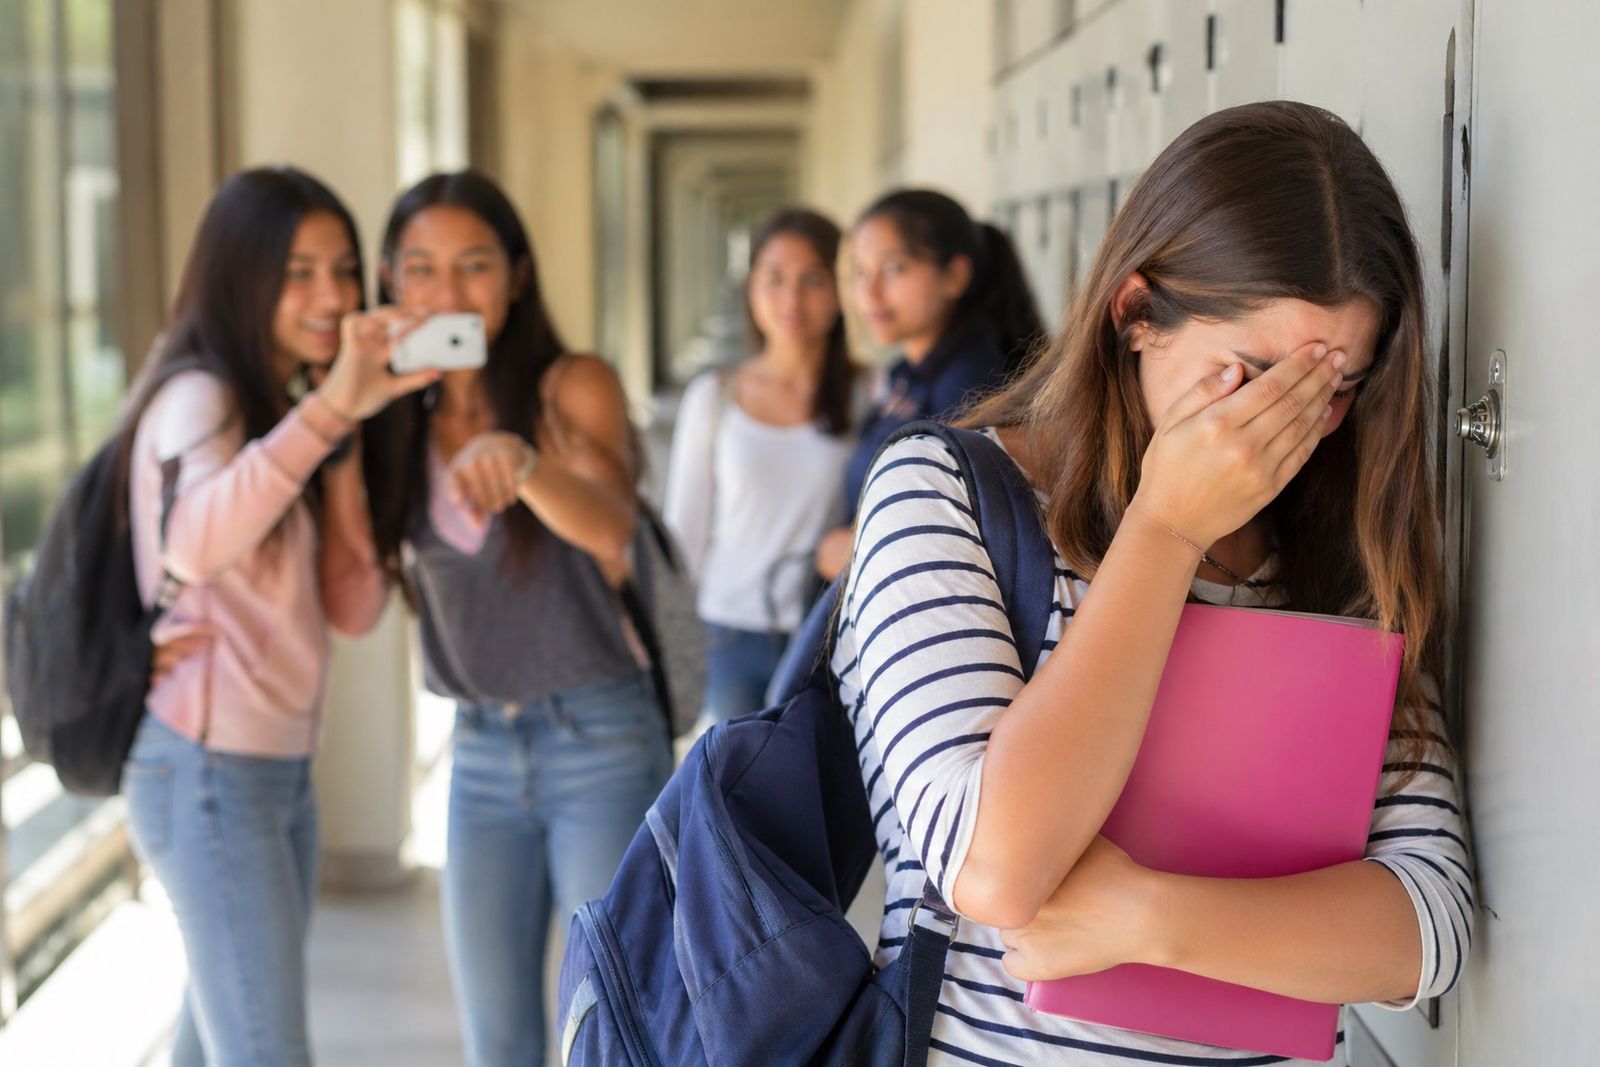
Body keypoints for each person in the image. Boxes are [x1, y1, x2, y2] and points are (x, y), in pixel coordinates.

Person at [831, 101, 1473, 1064]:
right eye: (1251, 372)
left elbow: (1428, 925)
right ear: (1136, 315)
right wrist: (1167, 529)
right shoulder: (943, 492)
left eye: (1337, 389)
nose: (1294, 425)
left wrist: (1145, 915)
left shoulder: (1337, 549)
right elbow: (997, 867)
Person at [120, 166, 436, 1065]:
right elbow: (192, 543)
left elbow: (356, 604)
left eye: (343, 270)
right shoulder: (200, 399)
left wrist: (339, 447)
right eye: (299, 272)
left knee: (215, 1037)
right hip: (207, 771)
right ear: (241, 274)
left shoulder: (290, 412)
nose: (332, 296)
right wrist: (332, 409)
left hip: (275, 775)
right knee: (264, 1049)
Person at [361, 171, 671, 1067]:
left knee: (610, 1022)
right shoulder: (391, 416)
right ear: (389, 281)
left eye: (474, 266)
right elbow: (352, 587)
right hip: (479, 754)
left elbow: (614, 528)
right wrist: (352, 396)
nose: (446, 293)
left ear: (517, 276)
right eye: (419, 269)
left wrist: (525, 464)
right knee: (495, 1037)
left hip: (600, 738)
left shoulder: (569, 385)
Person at [662, 208, 861, 723]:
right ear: (751, 287)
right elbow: (684, 536)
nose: (792, 299)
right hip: (730, 632)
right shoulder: (714, 397)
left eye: (812, 280)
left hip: (831, 632)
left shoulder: (871, 394)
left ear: (839, 291)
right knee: (730, 794)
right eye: (774, 278)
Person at [813, 188, 1044, 581]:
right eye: (859, 272)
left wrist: (852, 552)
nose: (870, 293)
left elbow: (956, 537)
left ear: (954, 276)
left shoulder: (971, 384)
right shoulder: (908, 371)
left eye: (893, 269)